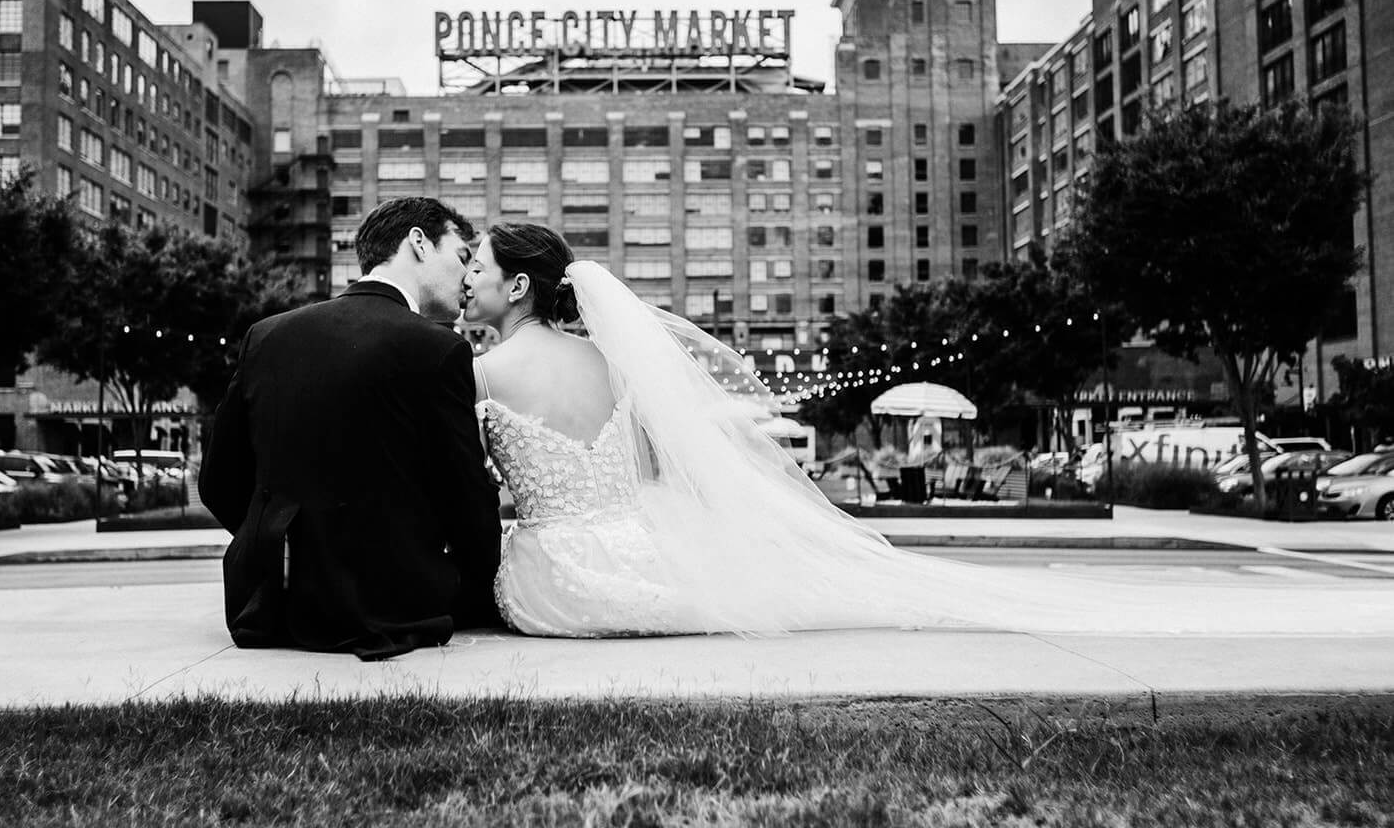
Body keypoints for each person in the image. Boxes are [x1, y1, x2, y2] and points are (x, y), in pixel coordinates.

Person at [462, 222, 1394, 637]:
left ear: (518, 287)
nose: (465, 280)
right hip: (657, 565)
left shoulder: (476, 369)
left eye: (477, 268)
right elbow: (646, 470)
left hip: (560, 587)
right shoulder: (620, 364)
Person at [201, 198, 502, 661]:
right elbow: (467, 501)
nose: (468, 276)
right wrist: (483, 586)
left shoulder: (267, 336)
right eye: (462, 255)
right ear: (418, 243)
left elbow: (218, 481)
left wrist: (283, 545)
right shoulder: (437, 349)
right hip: (394, 607)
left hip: (269, 606)